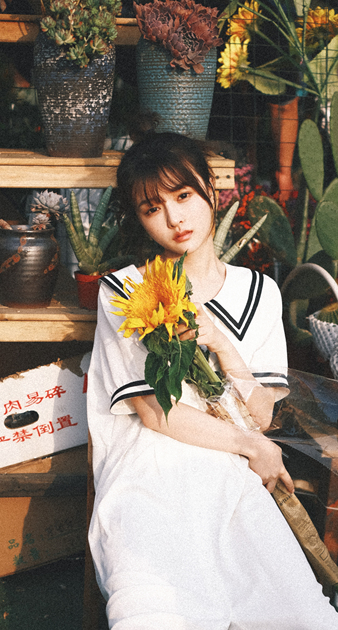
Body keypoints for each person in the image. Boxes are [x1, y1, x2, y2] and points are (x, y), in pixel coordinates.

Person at [87, 130, 338, 629]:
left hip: (232, 469)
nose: (174, 218)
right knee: (156, 603)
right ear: (139, 219)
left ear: (210, 189)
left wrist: (223, 346)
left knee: (296, 612)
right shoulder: (127, 291)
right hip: (152, 466)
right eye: (153, 208)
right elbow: (154, 412)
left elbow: (262, 415)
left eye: (183, 195)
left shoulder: (259, 291)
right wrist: (252, 446)